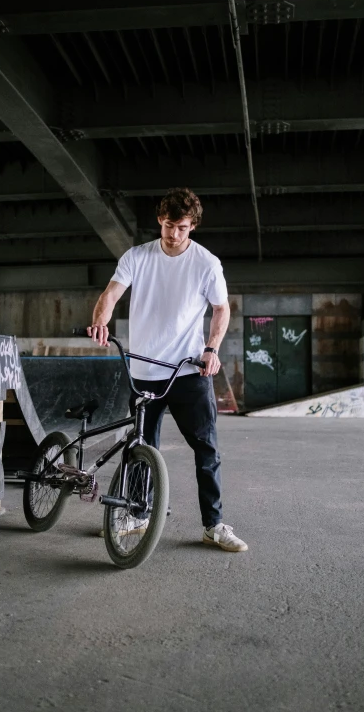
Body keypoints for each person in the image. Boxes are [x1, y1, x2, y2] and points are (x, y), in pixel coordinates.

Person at [88, 187, 247, 553]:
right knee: (142, 448)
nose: (174, 234)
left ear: (192, 227)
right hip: (143, 371)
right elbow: (111, 294)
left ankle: (213, 525)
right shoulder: (137, 257)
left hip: (188, 372)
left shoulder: (206, 263)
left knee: (206, 449)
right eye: (169, 225)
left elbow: (221, 310)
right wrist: (100, 320)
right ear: (160, 220)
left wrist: (211, 349)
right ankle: (139, 514)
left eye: (182, 227)